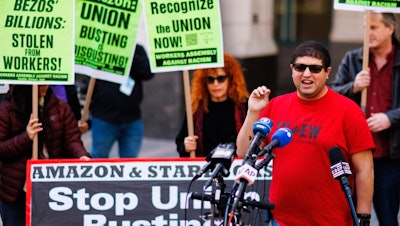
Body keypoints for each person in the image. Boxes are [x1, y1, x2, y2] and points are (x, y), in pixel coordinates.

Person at [236, 40, 375, 225]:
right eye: (300, 67)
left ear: (327, 72)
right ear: (292, 69)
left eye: (315, 69)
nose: (306, 74)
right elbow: (244, 152)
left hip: (331, 222)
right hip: (281, 220)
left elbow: (365, 169)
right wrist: (253, 112)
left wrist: (363, 216)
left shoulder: (349, 111)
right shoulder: (275, 105)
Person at [330, 12, 400, 226]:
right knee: (351, 216)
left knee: (387, 217)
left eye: (373, 27)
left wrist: (390, 118)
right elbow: (331, 94)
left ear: (390, 28)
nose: (367, 33)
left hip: (390, 155)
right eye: (365, 27)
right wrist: (353, 87)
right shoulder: (354, 59)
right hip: (356, 155)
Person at [0, 85, 91, 226]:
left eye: (46, 81)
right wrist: (26, 137)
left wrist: (81, 156)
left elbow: (72, 140)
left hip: (51, 192)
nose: (44, 85)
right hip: (16, 194)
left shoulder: (61, 108)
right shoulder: (7, 110)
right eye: (39, 83)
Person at [175, 53, 249, 157]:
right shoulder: (195, 109)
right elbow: (180, 142)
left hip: (235, 168)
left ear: (231, 79)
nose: (215, 84)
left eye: (221, 78)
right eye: (210, 79)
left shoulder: (244, 107)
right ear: (204, 82)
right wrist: (186, 146)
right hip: (204, 168)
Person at [89, 44, 154, 158]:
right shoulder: (101, 48)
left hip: (132, 119)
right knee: (98, 159)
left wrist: (129, 53)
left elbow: (148, 73)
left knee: (130, 163)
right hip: (104, 118)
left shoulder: (136, 49)